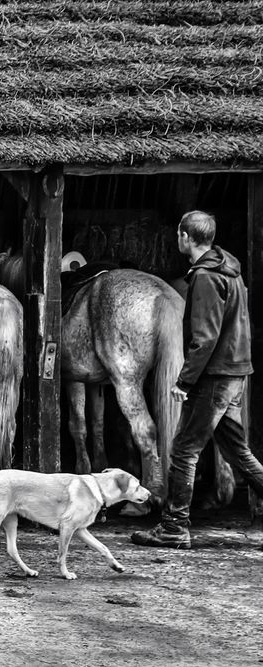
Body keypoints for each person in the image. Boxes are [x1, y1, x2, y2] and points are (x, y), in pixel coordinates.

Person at [132, 211, 263, 549]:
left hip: (215, 377)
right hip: (234, 373)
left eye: (179, 235)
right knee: (238, 452)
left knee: (184, 451)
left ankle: (174, 527)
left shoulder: (205, 278)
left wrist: (184, 381)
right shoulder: (229, 269)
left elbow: (204, 338)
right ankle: (174, 525)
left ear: (185, 237)